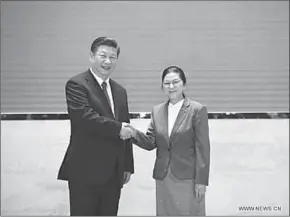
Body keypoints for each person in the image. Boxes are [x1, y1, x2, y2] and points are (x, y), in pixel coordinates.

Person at [57, 36, 134, 216]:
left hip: (113, 173)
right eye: (103, 55)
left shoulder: (120, 91)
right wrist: (117, 129)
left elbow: (126, 126)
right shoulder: (76, 84)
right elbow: (85, 118)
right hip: (85, 171)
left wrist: (127, 165)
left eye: (112, 57)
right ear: (92, 56)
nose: (107, 61)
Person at [123, 66, 210, 216]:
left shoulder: (197, 110)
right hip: (163, 177)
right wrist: (133, 133)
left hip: (188, 178)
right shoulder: (157, 111)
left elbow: (203, 149)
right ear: (162, 86)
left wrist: (201, 181)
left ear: (184, 84)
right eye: (167, 83)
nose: (171, 86)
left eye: (175, 82)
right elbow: (150, 142)